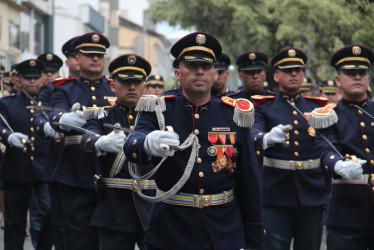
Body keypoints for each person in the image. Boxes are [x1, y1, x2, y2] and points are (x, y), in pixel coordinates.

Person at [123, 32, 264, 250]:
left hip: (223, 230)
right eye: (192, 65)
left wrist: (254, 240)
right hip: (171, 229)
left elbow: (249, 184)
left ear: (215, 73)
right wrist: (147, 143)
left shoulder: (234, 114)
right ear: (178, 73)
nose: (199, 71)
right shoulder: (159, 109)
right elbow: (132, 145)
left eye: (206, 66)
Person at [251, 47, 329, 250]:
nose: (293, 74)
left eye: (297, 70)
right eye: (287, 70)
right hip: (275, 192)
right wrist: (266, 137)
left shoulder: (318, 108)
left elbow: (327, 145)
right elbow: (253, 133)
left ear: (303, 74)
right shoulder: (262, 106)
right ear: (276, 76)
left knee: (310, 246)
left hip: (311, 191)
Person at [81, 53, 156, 250]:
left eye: (137, 82)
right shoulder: (102, 114)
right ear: (113, 85)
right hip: (114, 210)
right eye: (125, 81)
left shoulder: (160, 116)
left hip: (152, 205)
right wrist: (102, 142)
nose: (131, 87)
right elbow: (87, 137)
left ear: (145, 86)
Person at [49, 32, 115, 250]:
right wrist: (65, 118)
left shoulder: (115, 88)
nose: (95, 59)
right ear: (77, 58)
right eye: (89, 55)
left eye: (99, 55)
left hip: (111, 175)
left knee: (110, 239)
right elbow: (55, 117)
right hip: (75, 175)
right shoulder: (65, 89)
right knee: (78, 240)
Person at [316, 44, 374, 249]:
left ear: (368, 79)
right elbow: (325, 148)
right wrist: (338, 164)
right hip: (347, 212)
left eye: (362, 73)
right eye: (350, 73)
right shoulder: (328, 116)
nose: (357, 77)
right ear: (338, 80)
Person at [0, 59, 51, 250]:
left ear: (42, 79)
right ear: (19, 80)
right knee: (15, 222)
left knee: (49, 213)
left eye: (35, 77)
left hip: (44, 169)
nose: (31, 82)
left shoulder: (49, 103)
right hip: (16, 168)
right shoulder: (7, 103)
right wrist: (8, 136)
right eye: (27, 78)